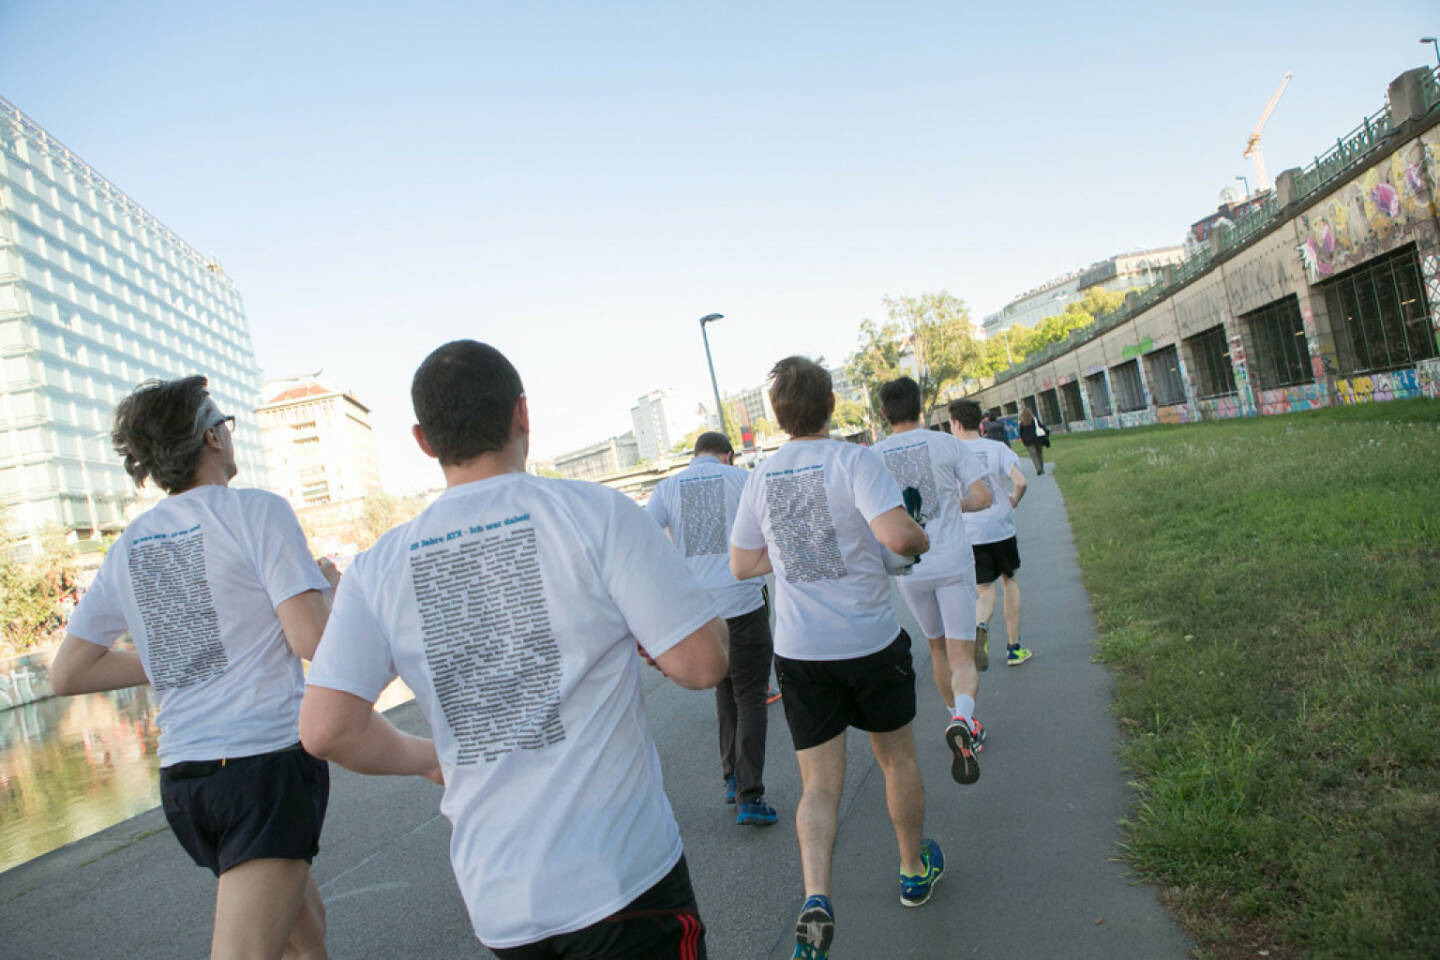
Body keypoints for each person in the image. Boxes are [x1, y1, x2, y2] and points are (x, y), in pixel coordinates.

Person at [299, 340, 729, 959]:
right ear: (522, 414)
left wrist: (427, 756)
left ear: (425, 441)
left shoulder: (378, 568)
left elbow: (324, 729)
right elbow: (703, 663)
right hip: (623, 879)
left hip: (500, 900)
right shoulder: (593, 512)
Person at [49, 376, 336, 960]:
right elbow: (312, 639)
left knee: (306, 942)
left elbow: (69, 673)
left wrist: (180, 656)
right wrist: (333, 590)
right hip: (263, 769)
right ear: (211, 436)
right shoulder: (255, 511)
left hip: (187, 784)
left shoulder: (131, 542)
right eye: (225, 424)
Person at [729, 357, 940, 960]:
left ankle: (817, 896)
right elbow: (899, 539)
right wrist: (918, 535)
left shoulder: (761, 476)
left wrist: (797, 554)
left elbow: (743, 565)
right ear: (830, 403)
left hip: (801, 652)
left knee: (818, 785)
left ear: (778, 414)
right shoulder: (855, 460)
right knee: (896, 760)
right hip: (869, 643)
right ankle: (910, 871)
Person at [647, 430, 778, 826]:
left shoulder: (667, 487)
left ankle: (731, 777)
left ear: (696, 454)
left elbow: (647, 537)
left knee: (725, 689)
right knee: (752, 694)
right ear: (726, 455)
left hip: (701, 610)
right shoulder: (741, 479)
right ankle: (750, 795)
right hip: (742, 599)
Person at [871, 377, 992, 785]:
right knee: (963, 653)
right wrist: (953, 505)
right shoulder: (948, 444)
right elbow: (984, 496)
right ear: (922, 407)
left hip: (911, 569)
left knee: (937, 648)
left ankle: (956, 720)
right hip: (953, 562)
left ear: (883, 414)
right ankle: (964, 717)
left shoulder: (872, 457)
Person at [949, 400, 1032, 667]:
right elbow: (1021, 481)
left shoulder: (952, 454)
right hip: (1001, 527)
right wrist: (1014, 500)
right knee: (1010, 581)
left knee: (984, 589)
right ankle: (1014, 648)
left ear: (957, 424)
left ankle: (980, 624)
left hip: (972, 531)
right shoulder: (997, 449)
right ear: (980, 422)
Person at [1017, 406, 1048, 475]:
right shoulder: (1034, 420)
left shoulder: (1022, 423)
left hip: (1028, 441)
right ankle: (1041, 468)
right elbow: (1041, 426)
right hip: (1037, 439)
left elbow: (1021, 433)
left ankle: (1038, 468)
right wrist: (1046, 432)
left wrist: (1023, 440)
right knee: (1039, 454)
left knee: (1034, 456)